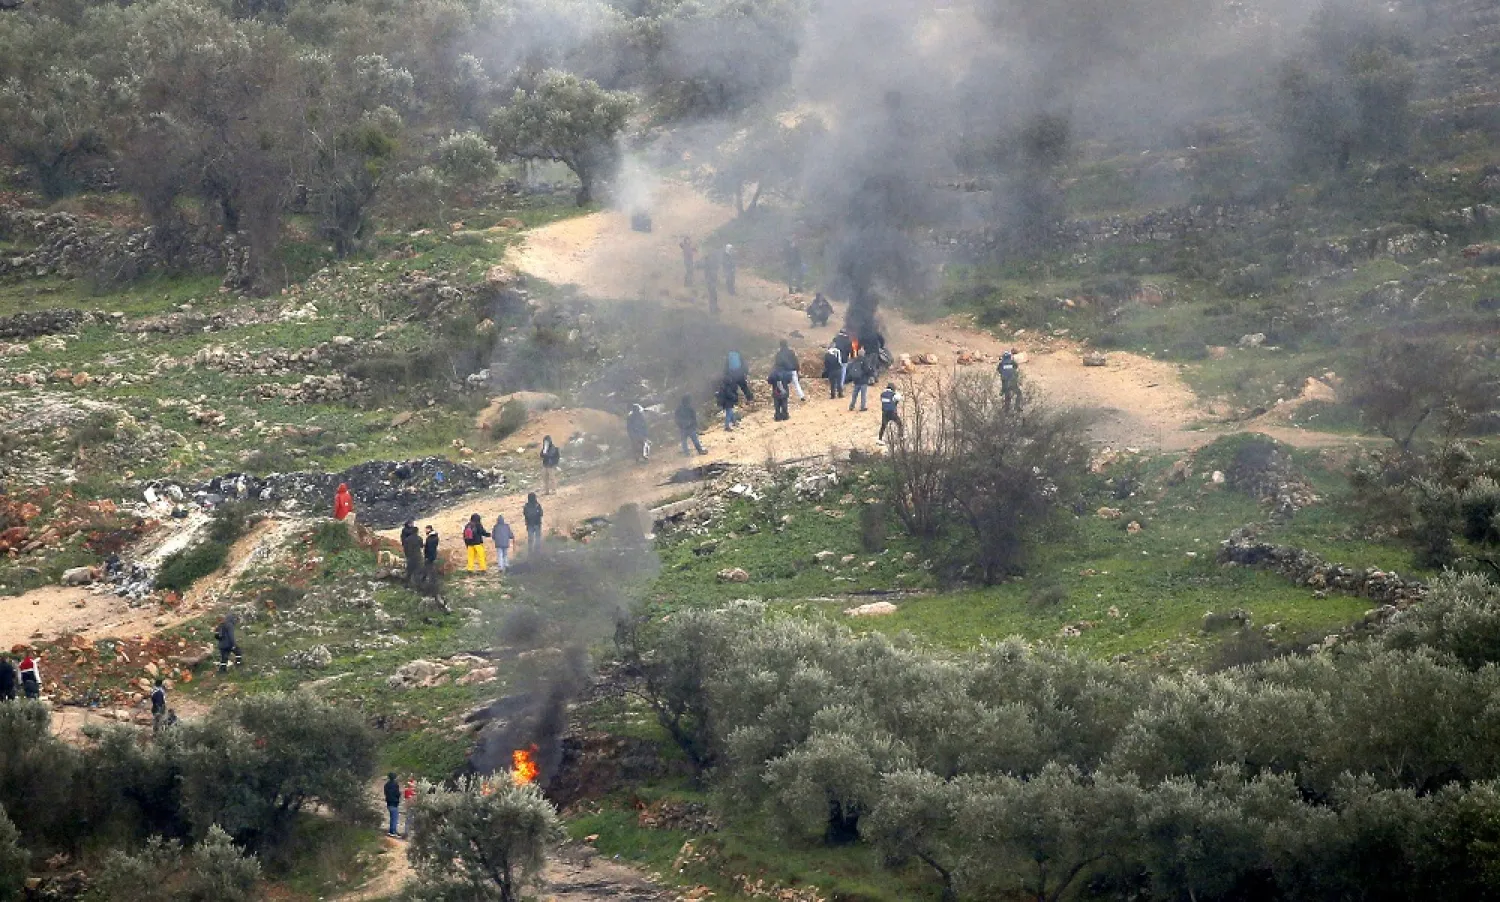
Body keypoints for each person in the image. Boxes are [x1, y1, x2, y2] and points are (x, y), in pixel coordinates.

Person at [701, 249, 720, 314]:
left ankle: (714, 308)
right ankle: (713, 309)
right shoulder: (708, 264)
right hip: (710, 281)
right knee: (713, 295)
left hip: (711, 281)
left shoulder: (708, 263)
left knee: (714, 295)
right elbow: (711, 273)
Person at [384, 773, 402, 838]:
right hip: (394, 803)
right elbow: (397, 793)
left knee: (392, 817)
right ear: (394, 778)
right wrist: (399, 794)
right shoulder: (395, 785)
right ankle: (393, 832)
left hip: (388, 803)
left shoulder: (386, 785)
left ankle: (391, 831)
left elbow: (385, 793)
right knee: (394, 818)